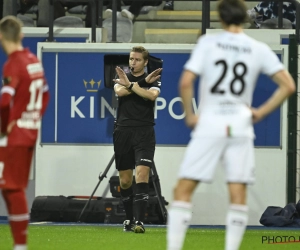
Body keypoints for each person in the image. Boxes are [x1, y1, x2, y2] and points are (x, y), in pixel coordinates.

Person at [166, 0, 296, 249]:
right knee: (237, 194)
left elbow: (185, 82)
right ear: (245, 19)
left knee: (183, 189)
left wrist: (190, 116)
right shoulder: (256, 47)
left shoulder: (208, 43)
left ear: (221, 18)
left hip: (210, 123)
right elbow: (288, 85)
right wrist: (260, 112)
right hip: (240, 125)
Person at [0, 16, 49, 250]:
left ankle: (21, 244)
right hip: (29, 131)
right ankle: (19, 243)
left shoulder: (13, 64)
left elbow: (3, 102)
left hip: (15, 134)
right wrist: (34, 118)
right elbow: (46, 95)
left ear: (1, 36)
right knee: (9, 185)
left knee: (12, 186)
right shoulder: (34, 61)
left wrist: (4, 128)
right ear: (21, 35)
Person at [112, 46, 162, 233]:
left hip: (145, 132)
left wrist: (133, 85)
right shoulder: (121, 76)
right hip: (123, 132)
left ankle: (139, 222)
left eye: (137, 60)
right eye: (131, 59)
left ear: (145, 62)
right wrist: (141, 83)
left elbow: (151, 95)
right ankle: (128, 218)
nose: (133, 62)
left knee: (142, 175)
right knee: (125, 181)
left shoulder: (154, 79)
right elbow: (120, 92)